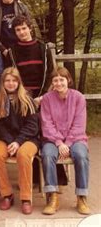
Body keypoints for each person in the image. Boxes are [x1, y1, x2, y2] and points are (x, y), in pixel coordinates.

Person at [0, 67, 39, 215]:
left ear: (19, 82)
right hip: (7, 139)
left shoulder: (27, 99)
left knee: (23, 155)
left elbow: (32, 126)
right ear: (3, 82)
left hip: (28, 139)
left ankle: (26, 198)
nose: (10, 84)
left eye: (14, 80)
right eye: (7, 81)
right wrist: (11, 141)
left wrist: (18, 142)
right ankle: (7, 195)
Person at [40, 67, 90, 215]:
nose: (59, 83)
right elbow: (46, 124)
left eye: (61, 79)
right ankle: (53, 197)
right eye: (55, 80)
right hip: (52, 139)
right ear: (52, 83)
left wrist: (67, 144)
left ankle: (81, 197)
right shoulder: (47, 99)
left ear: (68, 80)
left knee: (81, 156)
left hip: (76, 138)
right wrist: (59, 142)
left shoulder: (78, 97)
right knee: (47, 155)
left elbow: (79, 124)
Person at [9, 15, 53, 101]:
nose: (21, 32)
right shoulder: (12, 52)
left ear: (30, 28)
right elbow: (11, 76)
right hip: (21, 95)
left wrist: (43, 95)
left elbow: (50, 72)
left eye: (24, 28)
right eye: (18, 30)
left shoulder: (43, 49)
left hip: (42, 94)